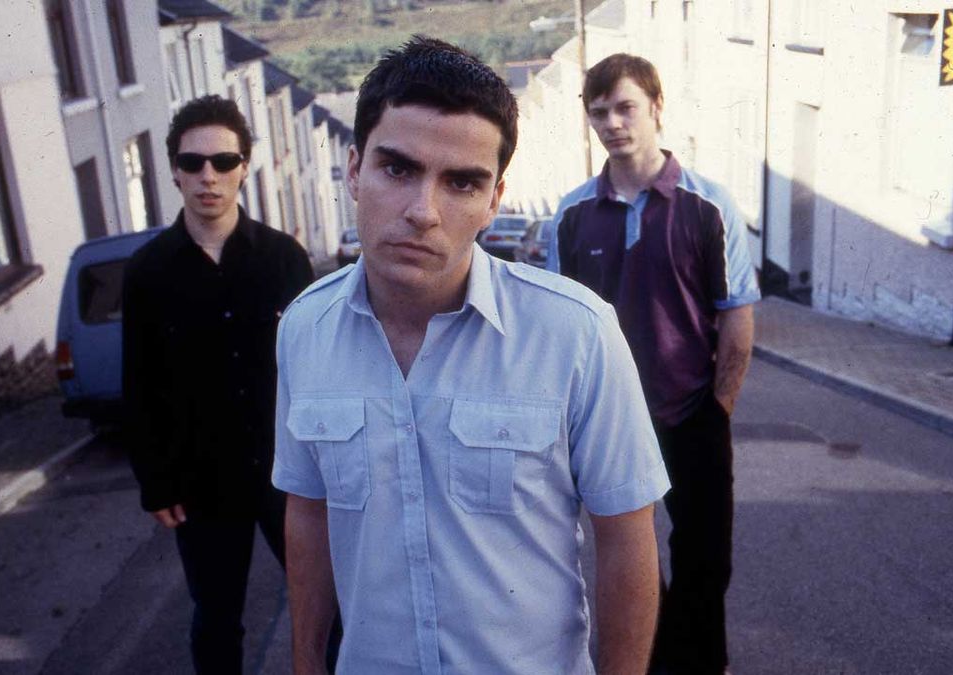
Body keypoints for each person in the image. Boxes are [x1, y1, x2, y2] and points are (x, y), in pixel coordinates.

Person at [273, 36, 671, 675]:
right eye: (398, 169)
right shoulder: (304, 330)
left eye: (461, 182)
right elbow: (308, 509)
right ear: (353, 170)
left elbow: (627, 536)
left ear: (494, 199)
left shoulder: (576, 333)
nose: (423, 212)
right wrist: (305, 661)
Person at [548, 53, 761, 675]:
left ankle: (694, 664)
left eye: (625, 107)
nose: (613, 122)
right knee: (630, 559)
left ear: (656, 108)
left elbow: (736, 317)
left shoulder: (708, 205)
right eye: (599, 112)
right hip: (610, 421)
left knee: (705, 560)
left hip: (692, 412)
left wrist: (718, 409)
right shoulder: (570, 214)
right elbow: (562, 323)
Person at [122, 95, 314, 674]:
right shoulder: (149, 271)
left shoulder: (284, 259)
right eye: (194, 162)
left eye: (224, 162)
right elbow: (141, 381)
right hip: (202, 483)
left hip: (290, 475)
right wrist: (155, 483)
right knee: (216, 618)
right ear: (175, 170)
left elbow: (319, 370)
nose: (209, 176)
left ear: (243, 168)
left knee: (325, 609)